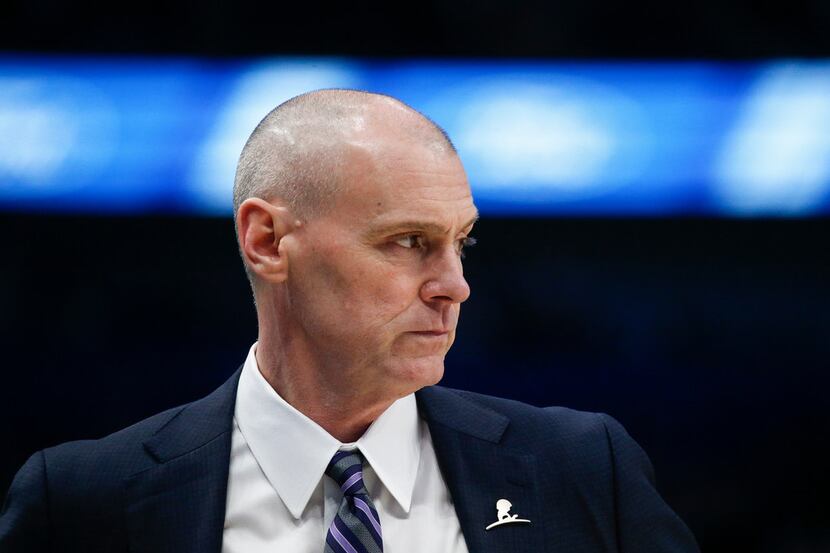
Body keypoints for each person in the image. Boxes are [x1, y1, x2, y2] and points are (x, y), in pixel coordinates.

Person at [0, 89, 699, 552]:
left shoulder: (582, 466)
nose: (455, 285)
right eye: (407, 241)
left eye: (462, 241)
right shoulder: (82, 503)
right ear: (269, 241)